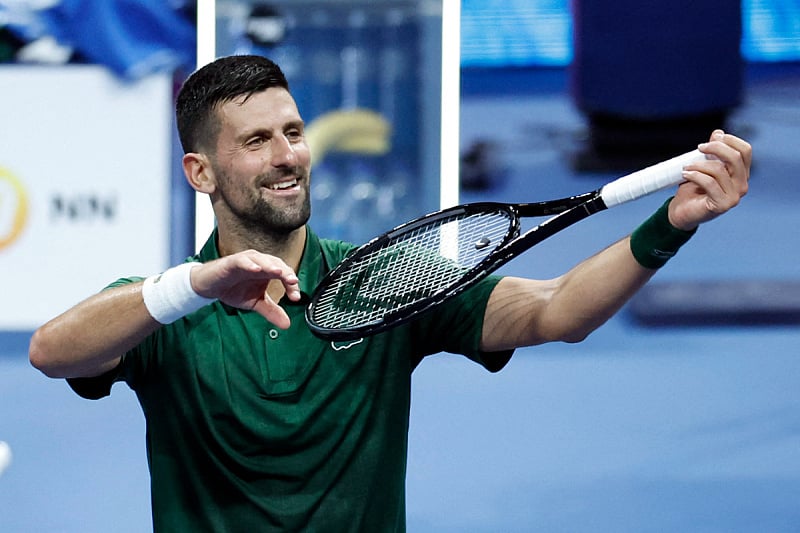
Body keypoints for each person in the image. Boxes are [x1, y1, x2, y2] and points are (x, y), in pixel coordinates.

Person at [29, 55, 751, 532]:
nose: (287, 156)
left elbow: (554, 308)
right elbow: (50, 352)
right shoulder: (165, 307)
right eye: (256, 141)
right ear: (201, 172)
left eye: (293, 132)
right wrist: (194, 284)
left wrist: (669, 225)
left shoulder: (381, 281)